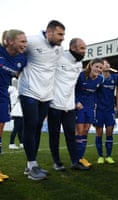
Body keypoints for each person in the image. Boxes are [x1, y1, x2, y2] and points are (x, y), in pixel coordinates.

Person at [18, 20, 65, 180]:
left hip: (47, 95)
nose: (62, 38)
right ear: (49, 32)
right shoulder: (31, 41)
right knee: (30, 126)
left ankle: (30, 165)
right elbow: (15, 55)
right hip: (29, 92)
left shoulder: (60, 49)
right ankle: (32, 166)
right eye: (60, 34)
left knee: (37, 127)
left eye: (63, 35)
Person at [47, 38, 89, 171]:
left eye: (85, 49)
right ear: (73, 48)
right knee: (54, 134)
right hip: (54, 104)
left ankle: (75, 162)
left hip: (69, 106)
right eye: (82, 48)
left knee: (71, 134)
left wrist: (73, 102)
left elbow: (72, 86)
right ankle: (57, 161)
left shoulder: (79, 65)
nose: (84, 52)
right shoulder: (59, 58)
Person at [0, 29, 27, 182]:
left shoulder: (22, 59)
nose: (25, 45)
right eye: (22, 41)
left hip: (3, 98)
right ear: (10, 42)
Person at [75, 58, 104, 168]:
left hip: (90, 107)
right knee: (79, 131)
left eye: (100, 68)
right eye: (97, 66)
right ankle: (76, 158)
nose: (98, 69)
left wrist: (95, 104)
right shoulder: (81, 75)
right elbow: (72, 89)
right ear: (91, 66)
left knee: (86, 131)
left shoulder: (100, 79)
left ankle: (81, 158)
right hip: (79, 106)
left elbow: (96, 93)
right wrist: (76, 102)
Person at [94, 59, 117, 165]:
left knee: (109, 132)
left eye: (108, 63)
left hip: (110, 110)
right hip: (99, 110)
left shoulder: (114, 78)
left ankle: (108, 156)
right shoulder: (98, 79)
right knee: (99, 133)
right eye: (104, 64)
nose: (106, 65)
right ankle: (100, 156)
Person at [8, 80, 24, 150]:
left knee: (20, 129)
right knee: (16, 129)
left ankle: (21, 143)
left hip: (19, 112)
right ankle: (11, 143)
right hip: (17, 112)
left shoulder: (15, 91)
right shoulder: (14, 91)